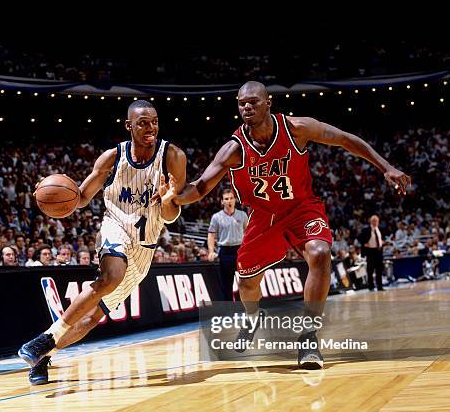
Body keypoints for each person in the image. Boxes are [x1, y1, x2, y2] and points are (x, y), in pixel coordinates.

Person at [162, 81, 410, 369]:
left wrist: (386, 167)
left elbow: (344, 139)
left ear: (268, 104)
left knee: (319, 253)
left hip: (301, 208)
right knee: (246, 283)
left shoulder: (296, 129)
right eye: (242, 103)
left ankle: (308, 335)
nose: (246, 107)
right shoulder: (234, 148)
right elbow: (202, 186)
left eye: (253, 101)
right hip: (263, 216)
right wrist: (175, 198)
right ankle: (253, 318)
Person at [18, 100, 186, 384]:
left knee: (92, 318)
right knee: (111, 276)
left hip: (144, 249)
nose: (150, 128)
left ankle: (43, 351)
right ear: (128, 125)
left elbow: (171, 216)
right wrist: (46, 193)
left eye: (154, 122)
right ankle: (48, 337)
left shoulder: (173, 156)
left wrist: (169, 199)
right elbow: (80, 197)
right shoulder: (112, 157)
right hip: (115, 226)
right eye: (143, 122)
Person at [207, 188, 249, 301]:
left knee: (245, 281)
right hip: (225, 251)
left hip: (240, 250)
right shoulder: (216, 217)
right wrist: (211, 251)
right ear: (222, 201)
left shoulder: (243, 215)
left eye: (231, 198)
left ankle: (246, 308)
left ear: (235, 200)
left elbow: (248, 233)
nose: (229, 201)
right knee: (227, 283)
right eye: (226, 199)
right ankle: (229, 312)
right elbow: (211, 234)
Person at [358, 214, 385, 291]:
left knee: (379, 269)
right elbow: (359, 237)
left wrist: (381, 242)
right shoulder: (366, 229)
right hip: (370, 251)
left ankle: (380, 286)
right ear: (371, 221)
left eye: (376, 221)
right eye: (374, 221)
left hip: (379, 251)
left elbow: (380, 238)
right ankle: (371, 286)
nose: (375, 222)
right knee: (370, 270)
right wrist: (364, 243)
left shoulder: (379, 229)